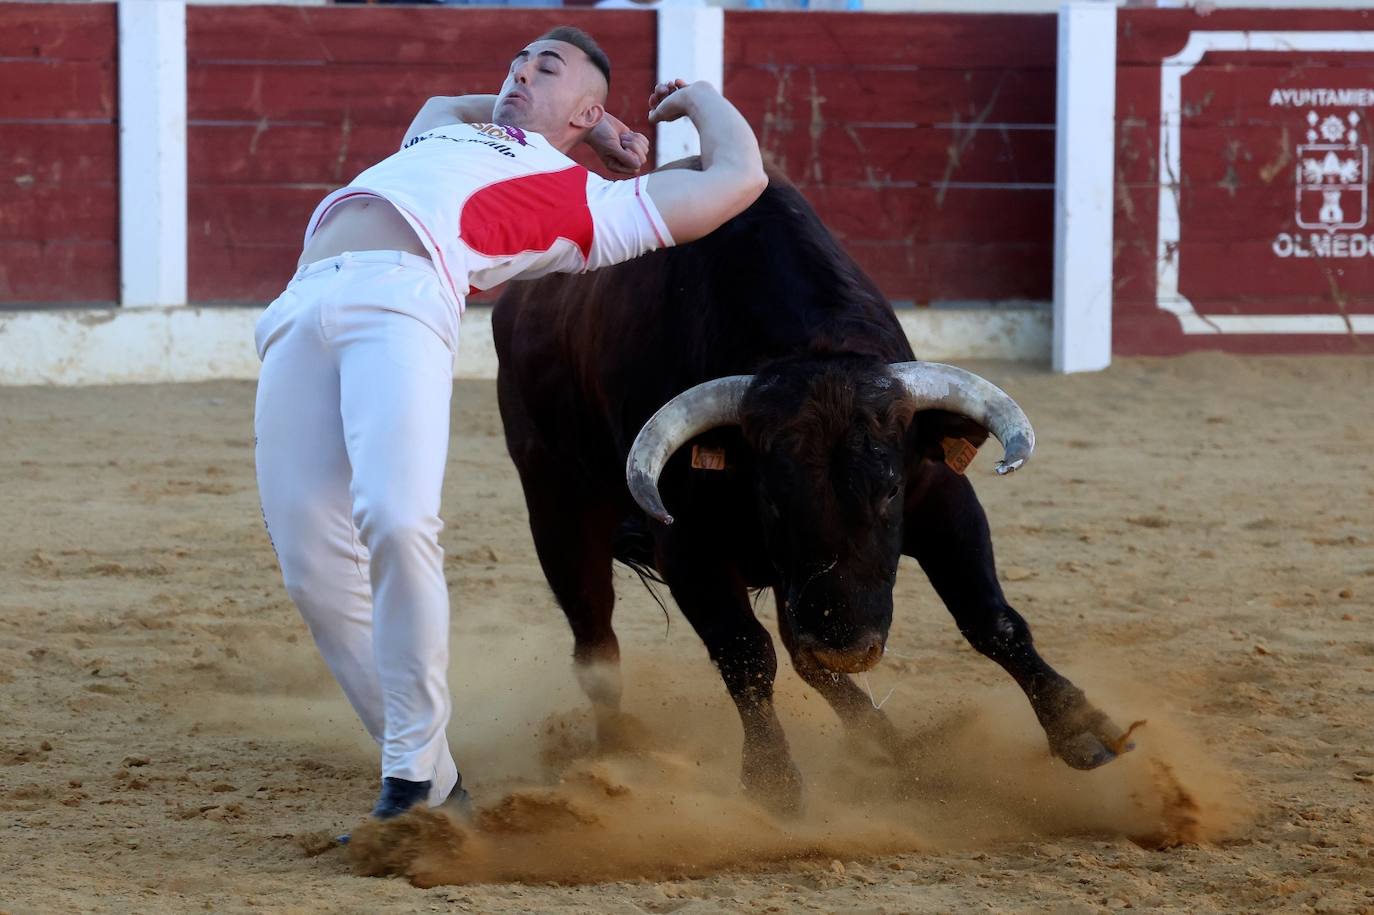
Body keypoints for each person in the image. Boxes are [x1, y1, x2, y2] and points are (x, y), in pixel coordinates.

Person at [252, 26, 766, 824]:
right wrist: (589, 120)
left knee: (395, 518)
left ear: (588, 101)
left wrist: (694, 101)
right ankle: (434, 775)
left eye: (545, 68)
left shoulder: (594, 204)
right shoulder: (452, 132)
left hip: (403, 298)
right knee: (314, 571)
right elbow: (446, 100)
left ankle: (412, 780)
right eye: (515, 64)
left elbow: (741, 175)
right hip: (296, 309)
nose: (519, 74)